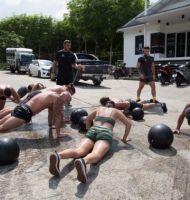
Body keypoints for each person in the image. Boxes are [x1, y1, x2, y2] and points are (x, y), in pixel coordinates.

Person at [49, 100, 132, 183]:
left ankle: (58, 156)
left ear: (105, 105)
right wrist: (124, 138)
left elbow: (87, 119)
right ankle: (83, 161)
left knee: (78, 151)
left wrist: (89, 130)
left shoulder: (98, 109)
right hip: (105, 133)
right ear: (113, 106)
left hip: (92, 130)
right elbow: (128, 124)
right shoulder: (116, 111)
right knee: (96, 154)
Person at [0, 90, 72, 137]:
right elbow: (58, 117)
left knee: (1, 125)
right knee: (2, 128)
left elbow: (50, 112)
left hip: (21, 107)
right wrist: (58, 134)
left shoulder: (51, 94)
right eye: (66, 102)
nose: (64, 104)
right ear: (64, 98)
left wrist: (50, 125)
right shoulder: (58, 99)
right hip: (25, 113)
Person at [99, 97, 167, 114]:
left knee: (146, 107)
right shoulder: (111, 103)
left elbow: (127, 104)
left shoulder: (115, 104)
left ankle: (160, 104)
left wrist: (125, 111)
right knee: (141, 103)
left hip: (131, 104)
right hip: (129, 102)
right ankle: (150, 100)